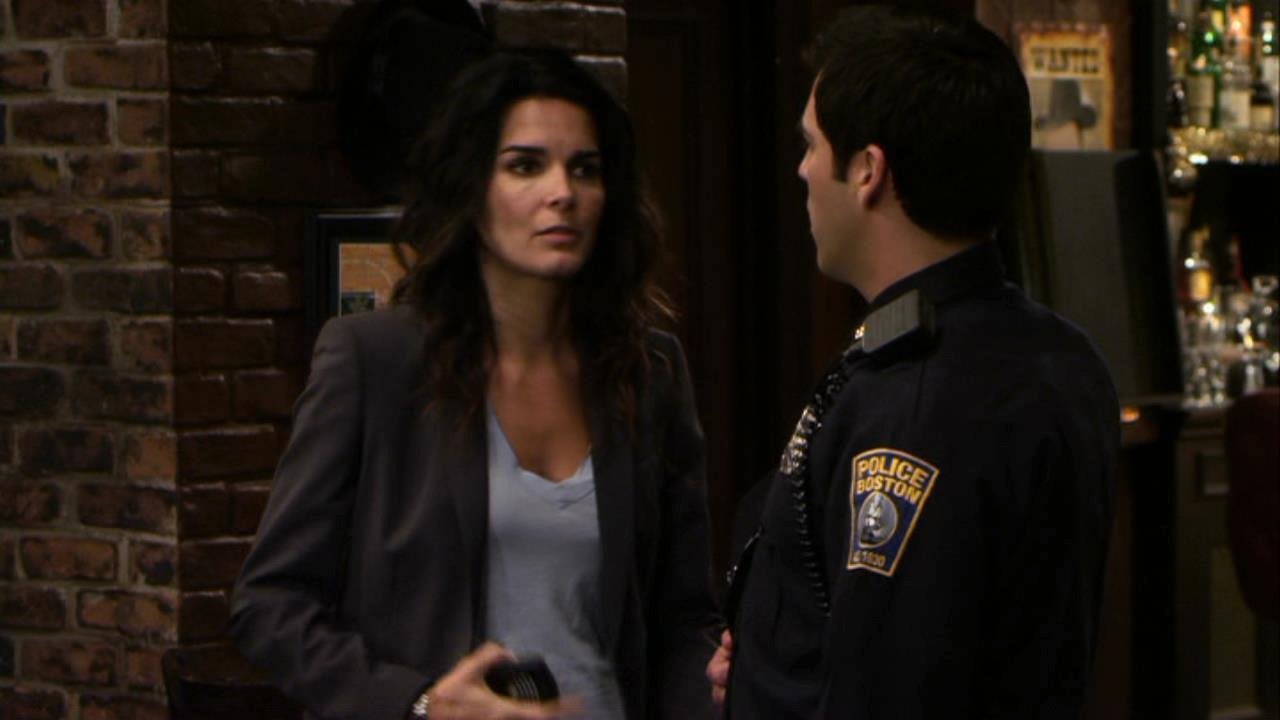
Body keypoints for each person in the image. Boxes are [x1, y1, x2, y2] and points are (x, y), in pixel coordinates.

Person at [230, 47, 719, 720]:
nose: (562, 192)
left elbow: (685, 619)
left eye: (585, 169)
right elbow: (269, 605)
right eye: (525, 165)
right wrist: (420, 704)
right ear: (473, 188)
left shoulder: (649, 371)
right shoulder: (375, 362)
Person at [707, 5, 1120, 718]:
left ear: (868, 171)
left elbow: (890, 684)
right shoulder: (1061, 354)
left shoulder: (916, 404)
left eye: (812, 145)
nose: (802, 169)